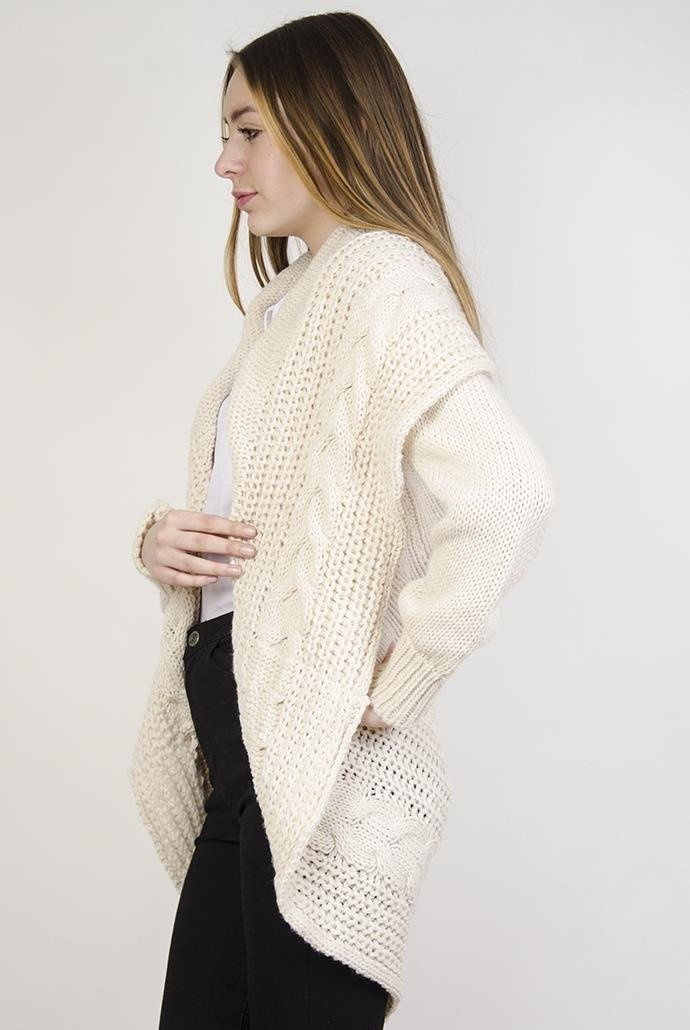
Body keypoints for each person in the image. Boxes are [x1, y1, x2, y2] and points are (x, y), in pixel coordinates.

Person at [130, 12, 556, 1029]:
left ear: (336, 123)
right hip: (241, 744)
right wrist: (160, 543)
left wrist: (405, 674)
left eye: (249, 131)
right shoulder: (288, 301)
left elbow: (508, 492)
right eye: (225, 134)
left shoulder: (382, 277)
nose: (224, 161)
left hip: (312, 758)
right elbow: (274, 514)